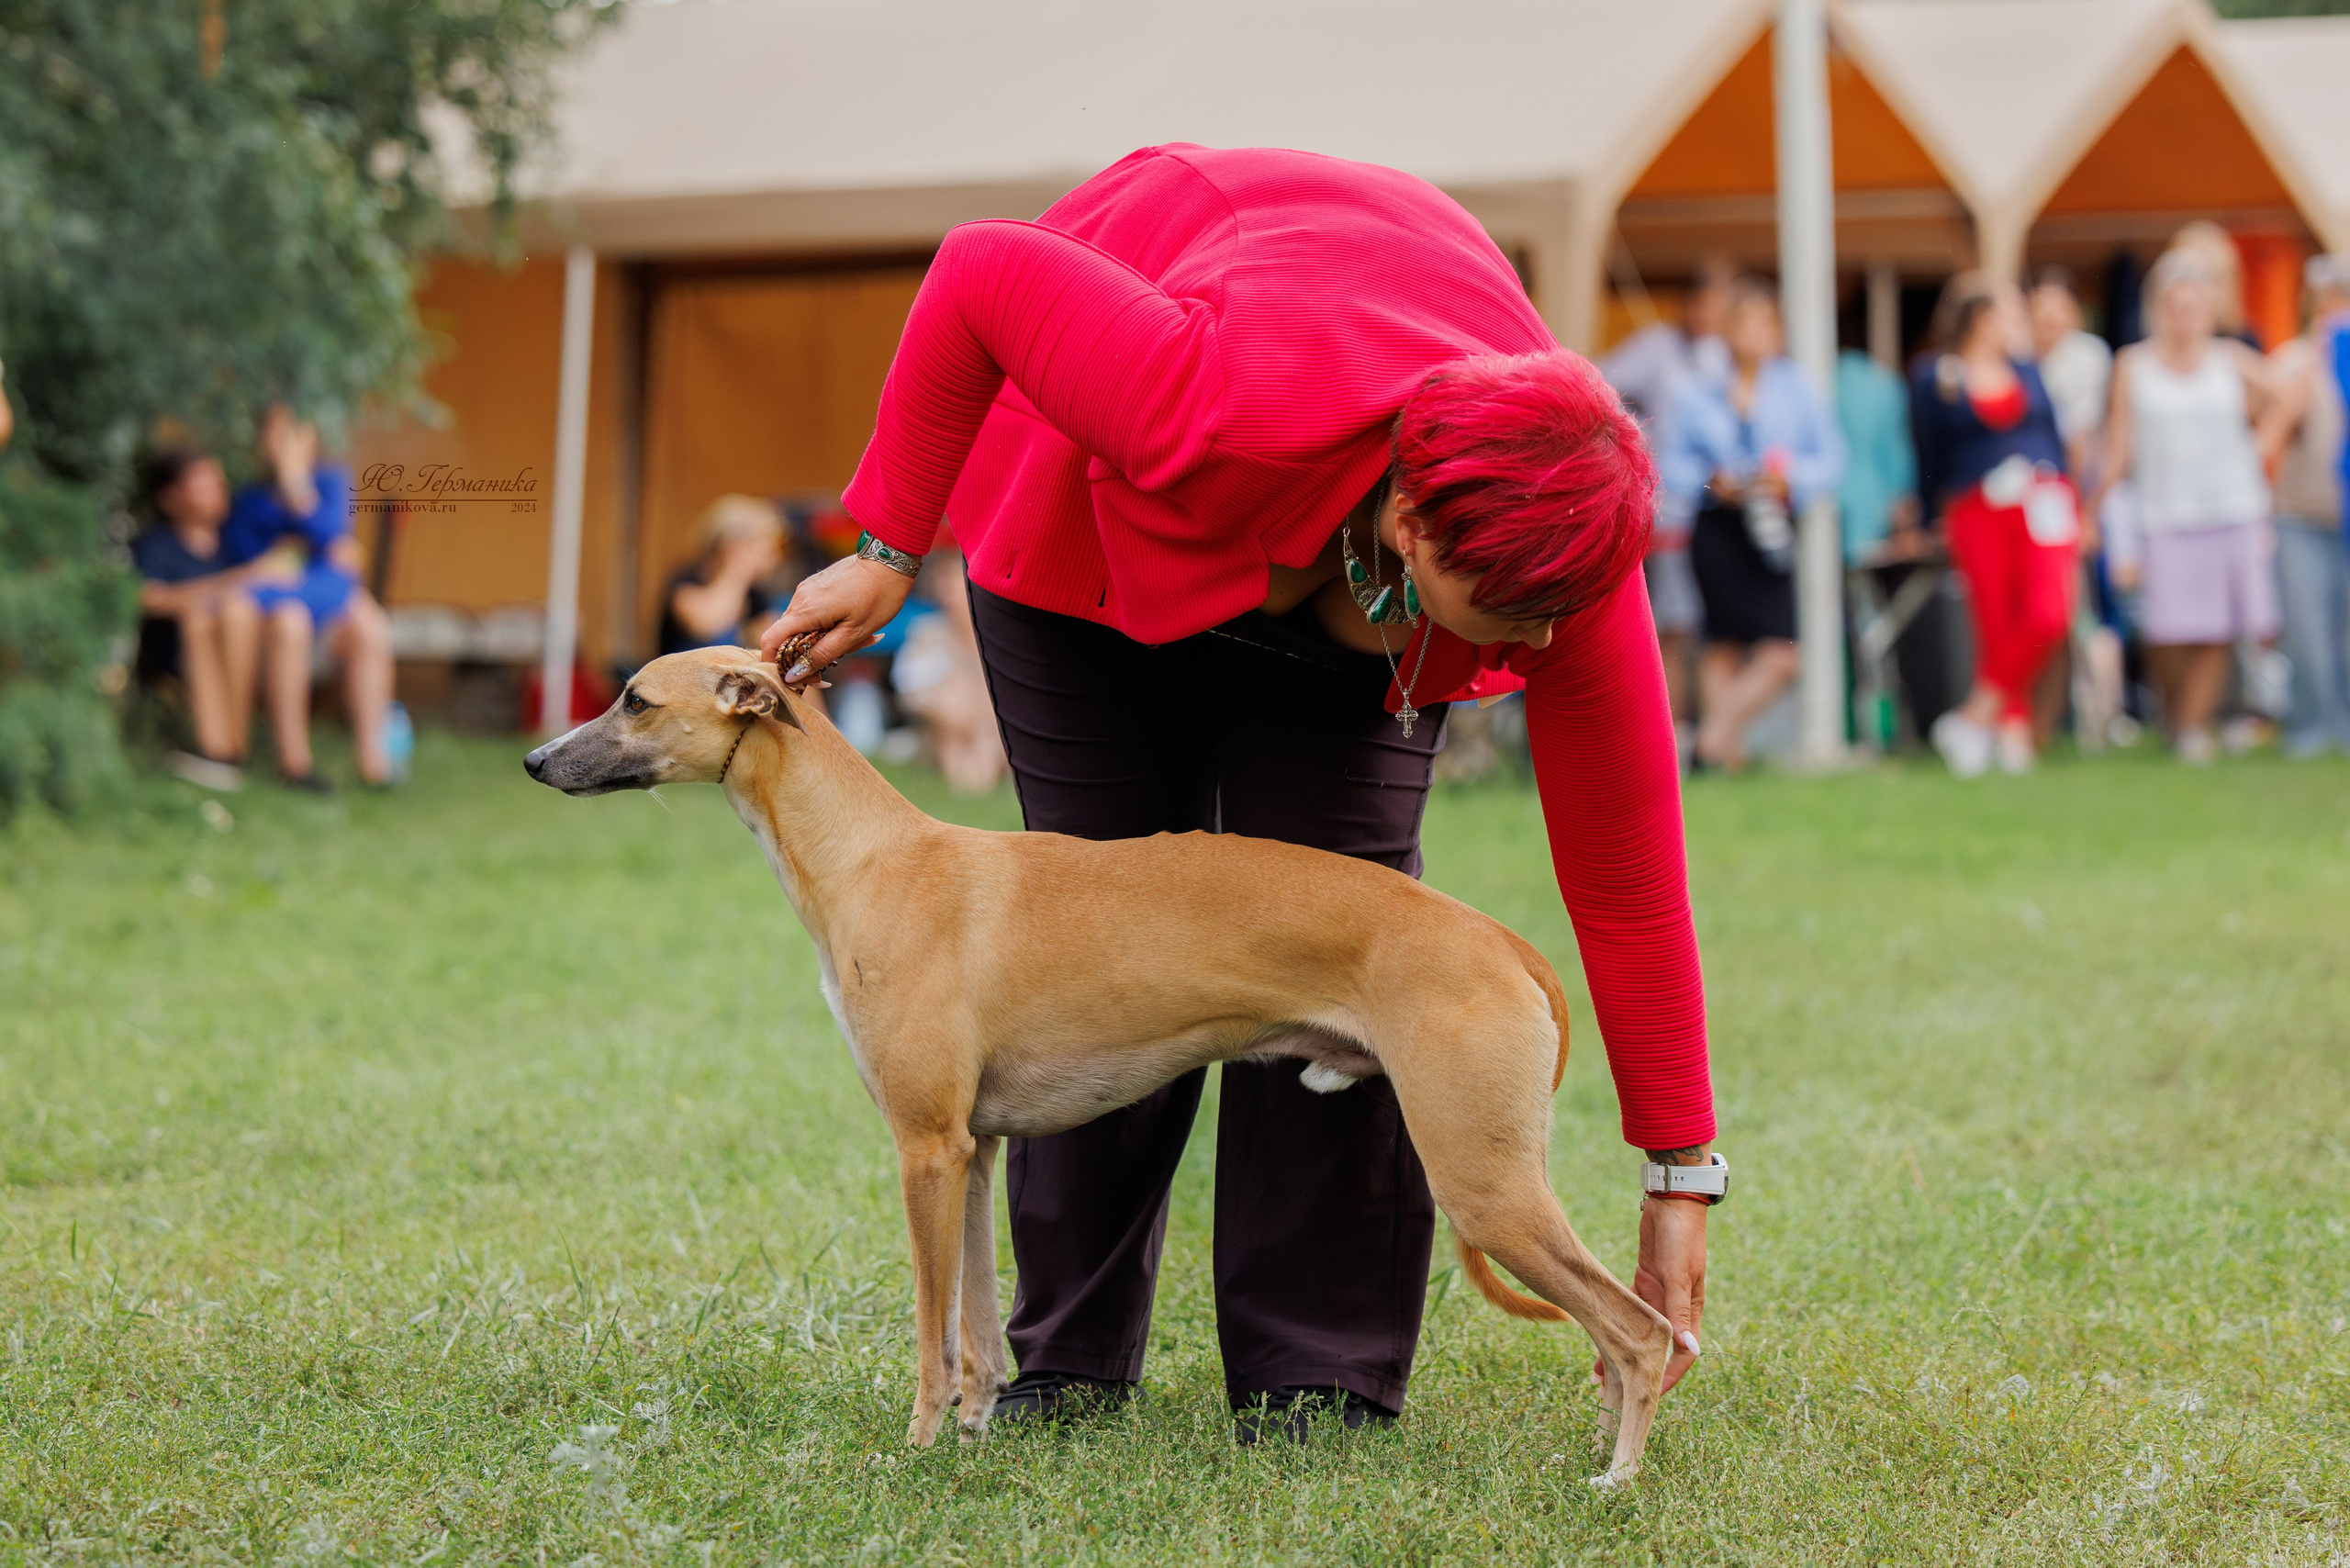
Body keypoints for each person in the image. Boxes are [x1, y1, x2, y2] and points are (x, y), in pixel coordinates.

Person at [758, 145, 1718, 1443]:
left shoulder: (1559, 544)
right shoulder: (1214, 399)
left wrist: (1678, 1170)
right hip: (1108, 513)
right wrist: (886, 543)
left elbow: (1628, 869)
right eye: (1517, 619)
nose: (1538, 649)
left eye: (1558, 616)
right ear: (1412, 530)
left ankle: (1318, 1374)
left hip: (1356, 521)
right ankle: (1068, 1360)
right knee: (1090, 927)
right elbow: (983, 268)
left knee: (1352, 933)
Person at [2097, 252, 2287, 765]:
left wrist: (2262, 445)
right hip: (2164, 511)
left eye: (2195, 306)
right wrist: (2093, 505)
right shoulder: (2133, 365)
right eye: (2176, 306)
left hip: (2231, 506)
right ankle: (2174, 714)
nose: (2186, 316)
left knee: (2217, 627)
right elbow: (2118, 444)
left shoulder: (2231, 359)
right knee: (2167, 628)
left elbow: (2285, 398)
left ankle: (2190, 728)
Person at [1659, 279, 1843, 773]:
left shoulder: (1795, 387)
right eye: (1748, 323)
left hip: (1770, 528)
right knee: (1721, 644)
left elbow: (1828, 457)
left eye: (1767, 323)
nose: (1758, 334)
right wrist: (1711, 481)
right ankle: (1727, 758)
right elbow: (1671, 464)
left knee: (1782, 653)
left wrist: (1788, 480)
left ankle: (1712, 736)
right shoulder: (1698, 390)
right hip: (1718, 526)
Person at [1910, 275, 2076, 776]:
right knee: (1996, 619)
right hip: (1976, 507)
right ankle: (2010, 731)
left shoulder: (2027, 370)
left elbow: (2053, 436)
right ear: (1981, 316)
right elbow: (1929, 455)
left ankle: (1974, 716)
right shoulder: (1937, 376)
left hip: (2041, 502)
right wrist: (1926, 517)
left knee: (2047, 614)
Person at [225, 408, 397, 789]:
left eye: (295, 433)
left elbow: (331, 534)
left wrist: (294, 485)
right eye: (277, 433)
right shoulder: (248, 494)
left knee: (372, 627)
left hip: (324, 598)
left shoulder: (330, 481)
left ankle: (375, 762)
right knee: (291, 620)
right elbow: (245, 555)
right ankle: (294, 762)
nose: (286, 443)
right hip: (276, 609)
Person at [1602, 257, 1735, 730]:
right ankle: (1672, 732)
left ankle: (1715, 733)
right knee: (1673, 628)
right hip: (1674, 512)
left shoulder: (1732, 356)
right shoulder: (1660, 348)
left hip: (1724, 511)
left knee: (1718, 630)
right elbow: (1600, 379)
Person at [131, 449, 274, 786]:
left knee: (237, 612)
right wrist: (228, 584)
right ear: (172, 498)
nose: (218, 489)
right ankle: (218, 749)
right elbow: (149, 598)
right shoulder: (157, 545)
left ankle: (231, 748)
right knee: (201, 616)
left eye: (218, 481)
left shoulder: (233, 540)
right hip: (175, 652)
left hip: (242, 645)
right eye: (204, 484)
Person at [2028, 267, 2124, 749]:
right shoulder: (2022, 358)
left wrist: (2085, 510)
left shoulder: (2083, 357)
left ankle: (2101, 715)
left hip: (2074, 500)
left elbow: (2082, 440)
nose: (2047, 321)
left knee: (2086, 613)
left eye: (2056, 310)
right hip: (2037, 503)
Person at [2266, 255, 2350, 756]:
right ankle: (2313, 727)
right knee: (2308, 630)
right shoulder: (2293, 362)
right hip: (2301, 515)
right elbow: (2270, 434)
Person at [657, 494, 787, 655]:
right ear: (733, 546)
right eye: (768, 548)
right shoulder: (687, 580)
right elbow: (706, 626)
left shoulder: (755, 594)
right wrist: (738, 569)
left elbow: (769, 639)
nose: (774, 558)